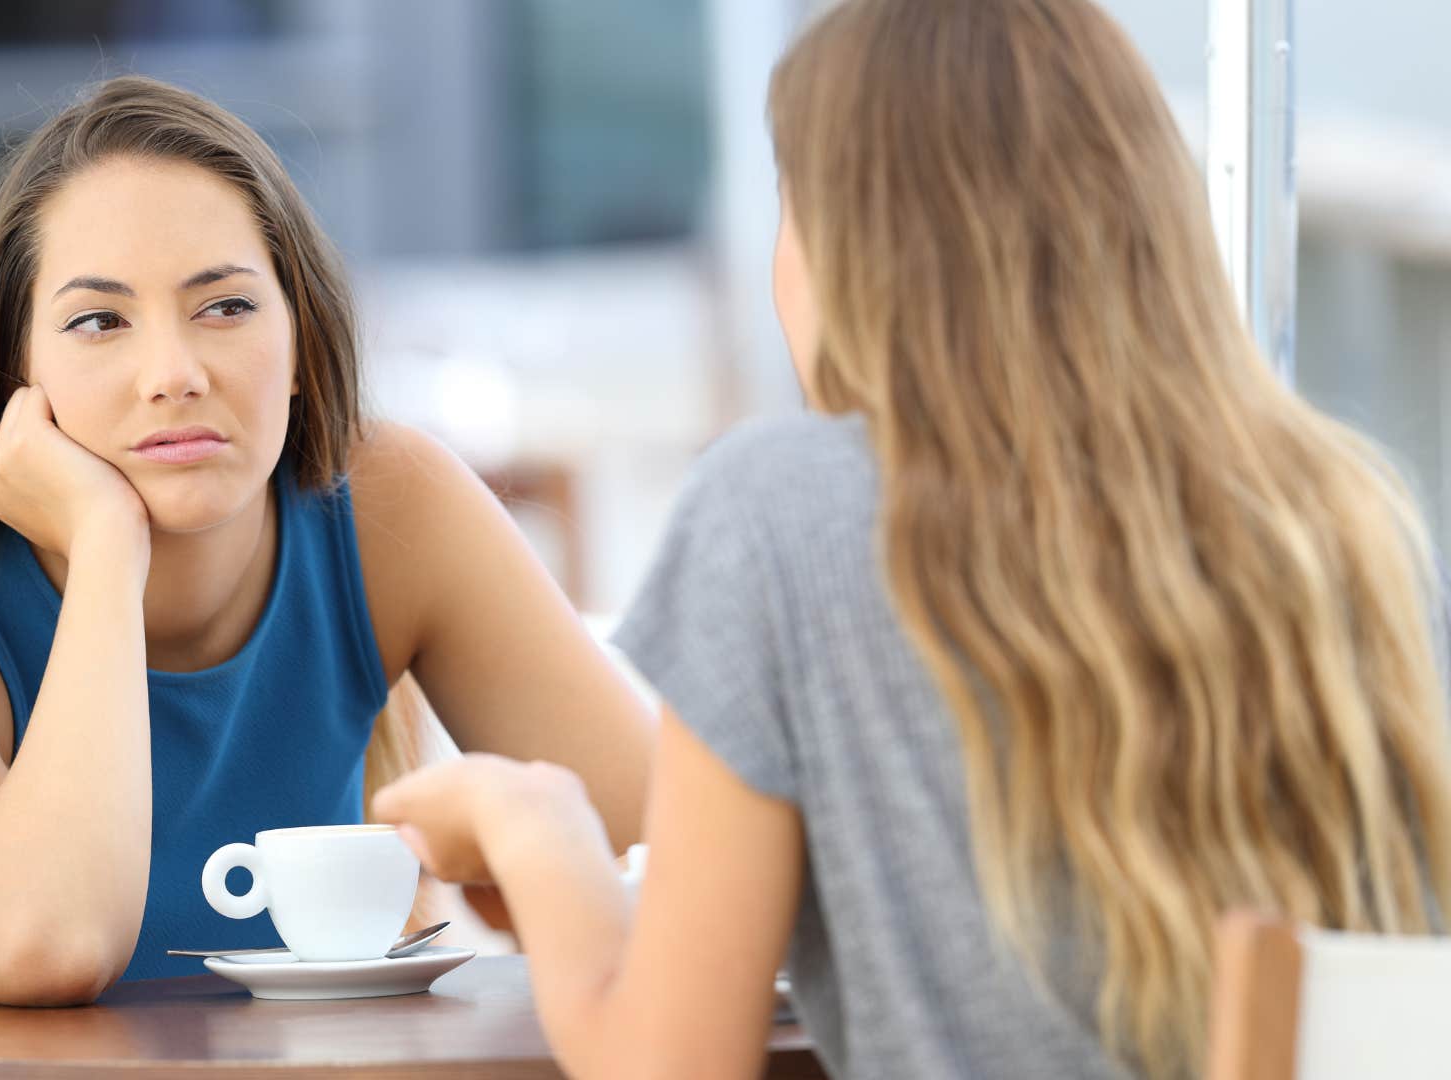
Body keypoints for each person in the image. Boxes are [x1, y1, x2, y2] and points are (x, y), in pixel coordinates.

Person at [372, 1, 1451, 1077]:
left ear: (847, 239)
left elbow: (672, 1064)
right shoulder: (1332, 514)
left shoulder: (784, 513)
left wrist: (538, 829)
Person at [0, 75, 656, 1046]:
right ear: (16, 377)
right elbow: (50, 945)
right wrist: (106, 548)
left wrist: (522, 834)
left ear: (300, 342)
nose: (173, 373)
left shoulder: (389, 508)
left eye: (225, 307)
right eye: (99, 322)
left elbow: (673, 851)